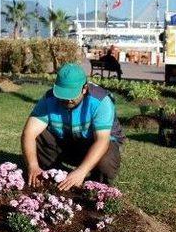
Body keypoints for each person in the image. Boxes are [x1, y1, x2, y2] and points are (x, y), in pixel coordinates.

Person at [21, 63, 125, 191]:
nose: (68, 99)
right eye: (63, 94)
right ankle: (56, 176)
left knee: (106, 162)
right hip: (66, 140)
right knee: (39, 135)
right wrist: (32, 165)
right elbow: (29, 133)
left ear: (84, 88)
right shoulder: (49, 98)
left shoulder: (101, 101)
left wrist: (81, 171)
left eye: (72, 94)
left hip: (94, 143)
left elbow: (102, 141)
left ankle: (95, 186)